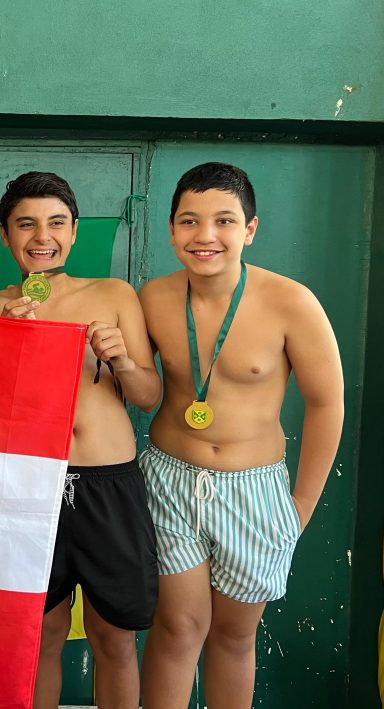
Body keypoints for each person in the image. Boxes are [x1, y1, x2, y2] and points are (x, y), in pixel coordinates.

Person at [138, 162, 344, 709]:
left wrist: (300, 505)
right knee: (178, 627)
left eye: (224, 221)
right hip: (168, 481)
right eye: (189, 221)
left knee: (233, 635)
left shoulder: (291, 302)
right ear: (171, 230)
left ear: (250, 229)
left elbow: (327, 403)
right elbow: (130, 382)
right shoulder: (153, 297)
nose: (205, 235)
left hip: (254, 488)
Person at [0, 172, 161, 709]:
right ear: (5, 235)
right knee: (41, 635)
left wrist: (122, 359)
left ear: (75, 231)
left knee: (115, 638)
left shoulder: (113, 294)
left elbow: (148, 395)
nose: (43, 236)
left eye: (56, 223)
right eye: (26, 224)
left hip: (109, 483)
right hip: (30, 485)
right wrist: (3, 344)